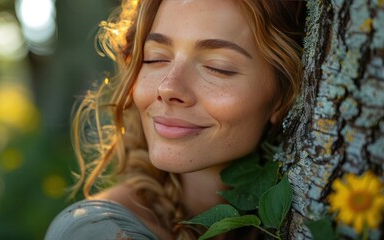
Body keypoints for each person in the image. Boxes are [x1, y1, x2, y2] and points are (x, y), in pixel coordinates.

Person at [46, 0, 305, 239]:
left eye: (218, 67)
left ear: (283, 95)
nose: (168, 88)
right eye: (155, 58)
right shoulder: (95, 231)